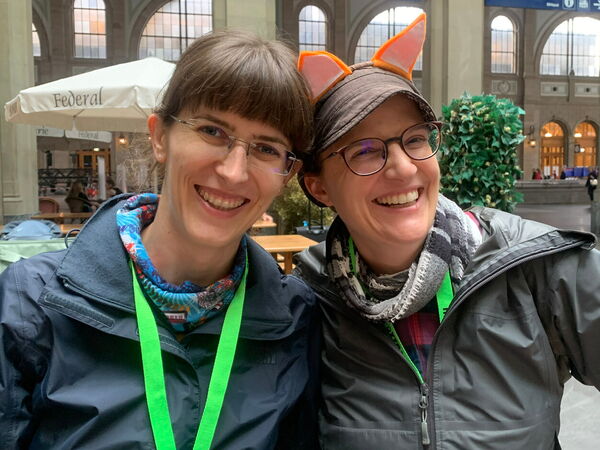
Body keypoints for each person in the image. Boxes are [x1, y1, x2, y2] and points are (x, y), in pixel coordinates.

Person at [293, 13, 600, 449]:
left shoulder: (536, 268)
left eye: (415, 139)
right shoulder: (310, 300)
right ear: (319, 187)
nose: (404, 168)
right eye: (364, 150)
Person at [0, 30, 319, 449]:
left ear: (287, 175)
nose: (233, 172)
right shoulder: (30, 303)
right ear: (159, 136)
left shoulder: (296, 318)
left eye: (266, 149)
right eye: (212, 131)